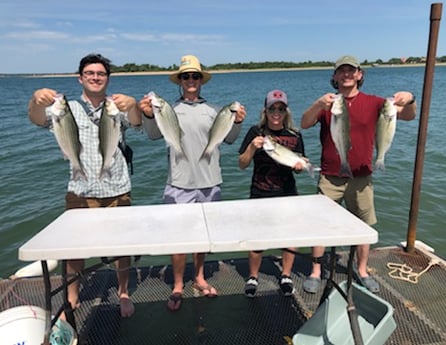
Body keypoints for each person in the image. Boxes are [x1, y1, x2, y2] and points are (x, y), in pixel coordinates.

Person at [28, 53, 142, 318]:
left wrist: (134, 105)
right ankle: (71, 297)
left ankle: (123, 292)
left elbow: (136, 122)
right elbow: (37, 118)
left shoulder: (117, 106)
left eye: (101, 73)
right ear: (80, 78)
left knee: (122, 246)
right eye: (90, 73)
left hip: (117, 189)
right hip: (80, 190)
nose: (95, 77)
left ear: (108, 79)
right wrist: (35, 100)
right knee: (74, 249)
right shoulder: (67, 108)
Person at [300, 55, 417, 294]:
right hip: (330, 177)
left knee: (364, 226)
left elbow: (407, 115)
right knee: (321, 226)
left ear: (360, 74)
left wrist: (411, 99)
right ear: (334, 77)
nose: (347, 74)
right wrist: (317, 104)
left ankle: (362, 270)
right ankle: (315, 271)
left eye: (351, 70)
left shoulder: (375, 103)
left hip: (362, 178)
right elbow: (304, 123)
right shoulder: (328, 103)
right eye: (341, 71)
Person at [138, 55, 246, 311]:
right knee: (178, 238)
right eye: (186, 76)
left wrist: (238, 122)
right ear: (180, 81)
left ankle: (199, 277)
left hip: (210, 182)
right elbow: (153, 135)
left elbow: (229, 139)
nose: (190, 80)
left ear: (201, 81)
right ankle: (177, 284)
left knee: (202, 237)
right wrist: (148, 115)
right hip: (178, 183)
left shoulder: (214, 111)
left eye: (195, 76)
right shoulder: (168, 109)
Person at [238, 89, 309, 298]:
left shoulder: (295, 136)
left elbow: (301, 160)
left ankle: (286, 275)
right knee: (257, 237)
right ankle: (253, 276)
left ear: (286, 111)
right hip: (260, 191)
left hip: (287, 192)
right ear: (265, 111)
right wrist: (252, 148)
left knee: (289, 236)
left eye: (281, 108)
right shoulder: (255, 132)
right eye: (272, 108)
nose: (276, 112)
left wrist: (300, 166)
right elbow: (241, 164)